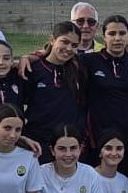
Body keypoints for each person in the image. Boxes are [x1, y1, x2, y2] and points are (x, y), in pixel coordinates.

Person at [84, 15, 128, 151]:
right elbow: (59, 55)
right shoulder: (89, 61)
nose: (117, 38)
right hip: (100, 135)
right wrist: (30, 57)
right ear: (104, 36)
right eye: (112, 33)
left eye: (122, 33)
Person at [22, 20, 87, 149]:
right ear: (52, 40)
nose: (69, 48)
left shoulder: (80, 68)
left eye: (74, 45)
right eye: (64, 42)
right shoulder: (32, 69)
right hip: (39, 143)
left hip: (69, 145)